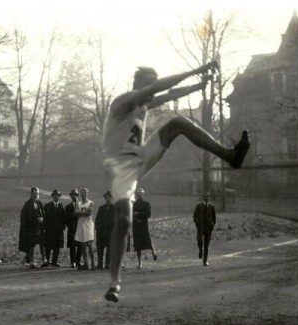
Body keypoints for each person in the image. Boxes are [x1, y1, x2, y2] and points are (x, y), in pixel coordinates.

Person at [102, 61, 250, 302]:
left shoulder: (144, 103)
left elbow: (171, 92)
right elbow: (163, 86)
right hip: (119, 168)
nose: (153, 91)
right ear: (138, 86)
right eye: (149, 86)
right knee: (123, 220)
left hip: (138, 159)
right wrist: (197, 71)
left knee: (178, 123)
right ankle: (114, 282)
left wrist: (198, 85)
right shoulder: (122, 103)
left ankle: (230, 155)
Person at [18, 187, 46, 268]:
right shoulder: (27, 204)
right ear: (31, 194)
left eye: (37, 193)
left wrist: (42, 219)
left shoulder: (39, 203)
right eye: (34, 193)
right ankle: (31, 262)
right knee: (31, 245)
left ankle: (44, 260)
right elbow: (24, 217)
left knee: (42, 244)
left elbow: (43, 213)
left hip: (39, 228)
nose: (36, 195)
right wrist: (35, 220)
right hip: (31, 228)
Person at [132, 187, 157, 269]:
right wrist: (136, 218)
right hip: (136, 226)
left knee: (148, 240)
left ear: (143, 195)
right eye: (138, 195)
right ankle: (140, 263)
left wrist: (138, 214)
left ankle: (154, 252)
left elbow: (148, 214)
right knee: (137, 245)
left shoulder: (147, 204)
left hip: (144, 225)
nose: (139, 196)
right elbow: (132, 214)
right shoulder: (134, 205)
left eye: (140, 195)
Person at [43, 189, 65, 267]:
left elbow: (63, 218)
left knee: (57, 247)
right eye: (55, 195)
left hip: (58, 230)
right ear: (53, 196)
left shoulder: (61, 206)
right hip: (49, 230)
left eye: (58, 196)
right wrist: (45, 228)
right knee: (48, 246)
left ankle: (54, 261)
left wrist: (62, 228)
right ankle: (47, 261)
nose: (56, 197)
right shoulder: (47, 206)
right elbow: (44, 218)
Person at [193, 192, 216, 266]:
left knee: (206, 245)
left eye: (207, 196)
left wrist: (212, 225)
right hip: (200, 227)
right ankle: (200, 249)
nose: (206, 198)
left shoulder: (212, 206)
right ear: (203, 197)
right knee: (199, 241)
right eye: (205, 196)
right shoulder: (199, 206)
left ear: (209, 197)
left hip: (208, 228)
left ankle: (205, 261)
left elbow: (214, 218)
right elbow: (194, 216)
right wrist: (197, 223)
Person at [75, 188, 95, 270]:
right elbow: (75, 213)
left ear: (87, 194)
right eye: (82, 194)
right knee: (83, 244)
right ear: (80, 194)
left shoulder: (91, 202)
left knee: (89, 244)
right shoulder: (78, 203)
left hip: (88, 224)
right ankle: (86, 263)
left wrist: (80, 212)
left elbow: (89, 212)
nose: (83, 195)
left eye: (85, 193)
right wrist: (83, 212)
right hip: (81, 224)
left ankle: (93, 263)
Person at [94, 190, 114, 270]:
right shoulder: (101, 208)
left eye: (109, 197)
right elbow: (97, 219)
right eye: (106, 197)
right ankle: (100, 264)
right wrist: (97, 228)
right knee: (100, 249)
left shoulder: (115, 208)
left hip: (110, 232)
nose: (107, 199)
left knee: (109, 249)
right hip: (101, 232)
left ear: (112, 198)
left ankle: (107, 264)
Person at [64, 189, 82, 268]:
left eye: (75, 195)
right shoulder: (68, 207)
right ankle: (73, 262)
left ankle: (78, 261)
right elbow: (66, 219)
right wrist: (71, 228)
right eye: (72, 195)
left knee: (80, 246)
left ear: (78, 196)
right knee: (72, 247)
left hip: (80, 229)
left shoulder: (81, 206)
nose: (74, 197)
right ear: (71, 196)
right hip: (72, 230)